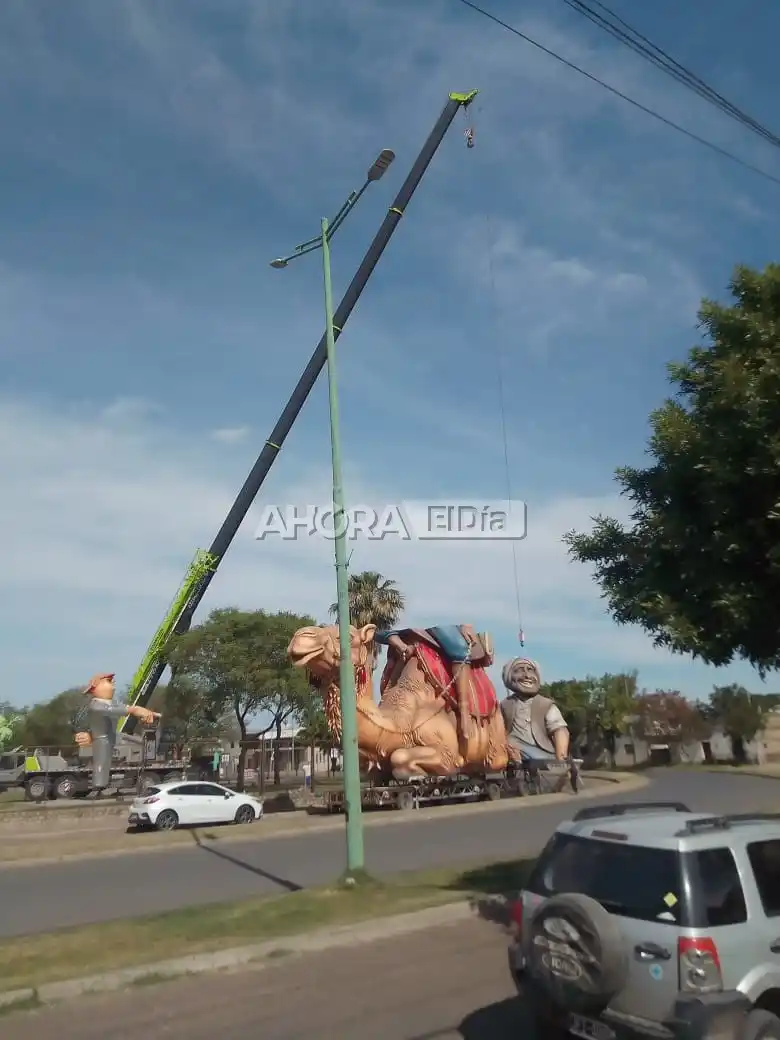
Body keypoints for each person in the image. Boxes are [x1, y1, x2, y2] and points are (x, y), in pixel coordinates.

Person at [374, 624, 481, 737]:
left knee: (459, 649)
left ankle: (464, 709)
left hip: (439, 626)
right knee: (381, 635)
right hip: (405, 629)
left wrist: (466, 625)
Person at [73, 673, 160, 797]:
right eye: (109, 681)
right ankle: (99, 787)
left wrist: (146, 712)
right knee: (102, 762)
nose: (113, 683)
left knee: (136, 741)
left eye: (113, 681)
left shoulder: (113, 702)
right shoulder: (96, 705)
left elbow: (124, 707)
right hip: (102, 739)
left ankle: (106, 785)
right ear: (95, 687)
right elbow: (119, 710)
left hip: (114, 736)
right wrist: (135, 710)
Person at [500, 657, 570, 763]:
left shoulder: (544, 705)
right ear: (509, 677)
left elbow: (560, 731)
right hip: (512, 751)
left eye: (530, 670)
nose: (527, 675)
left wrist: (560, 760)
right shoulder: (505, 705)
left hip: (542, 755)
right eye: (519, 670)